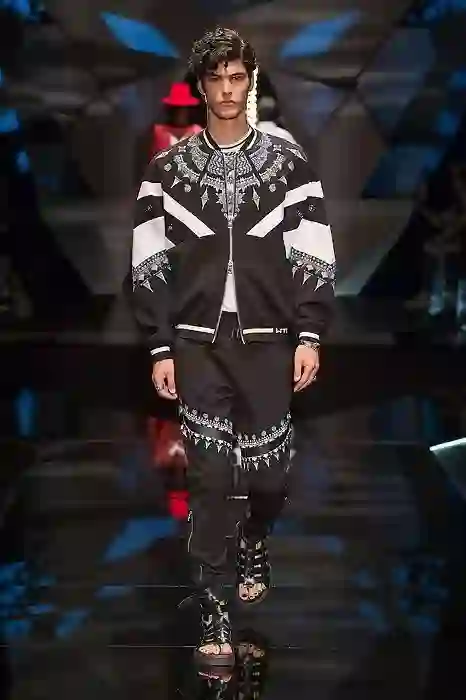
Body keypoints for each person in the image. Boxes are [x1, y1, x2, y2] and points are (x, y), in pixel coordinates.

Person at [131, 27, 336, 670]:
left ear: (249, 83)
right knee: (210, 478)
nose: (226, 89)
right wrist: (160, 346)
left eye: (236, 78)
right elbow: (149, 261)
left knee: (269, 478)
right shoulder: (168, 171)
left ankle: (255, 538)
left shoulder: (288, 163)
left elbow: (313, 249)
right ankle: (214, 606)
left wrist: (309, 333)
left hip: (270, 340)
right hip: (197, 344)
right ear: (200, 86)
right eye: (216, 79)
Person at [151, 82, 202, 156]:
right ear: (171, 109)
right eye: (177, 108)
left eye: (183, 108)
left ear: (189, 110)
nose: (180, 113)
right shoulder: (159, 132)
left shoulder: (197, 131)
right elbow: (154, 158)